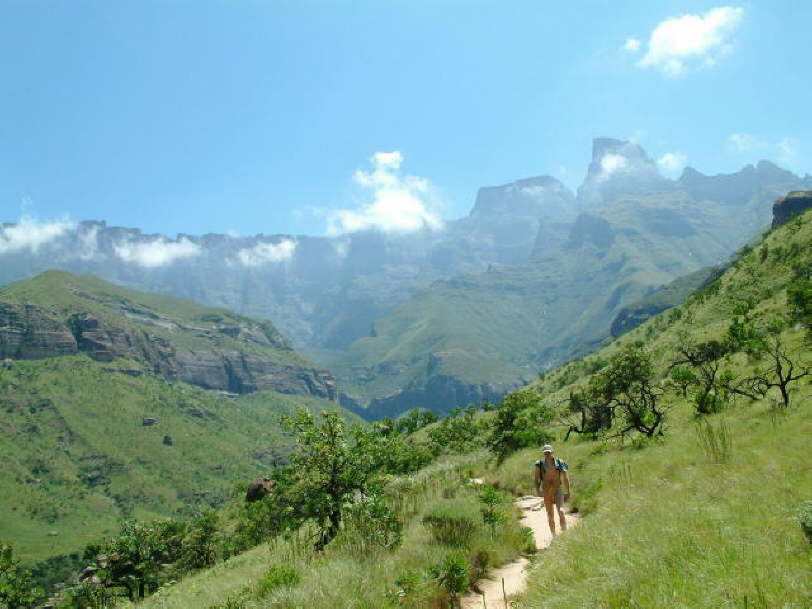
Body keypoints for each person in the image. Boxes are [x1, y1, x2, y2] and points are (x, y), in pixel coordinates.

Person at [534, 444, 571, 536]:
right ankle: (554, 535)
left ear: (552, 452)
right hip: (546, 491)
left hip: (557, 488)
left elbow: (566, 477)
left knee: (561, 511)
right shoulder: (539, 464)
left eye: (549, 452)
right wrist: (538, 490)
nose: (547, 454)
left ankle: (565, 533)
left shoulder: (559, 462)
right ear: (543, 453)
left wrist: (568, 491)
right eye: (545, 453)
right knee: (550, 515)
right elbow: (536, 478)